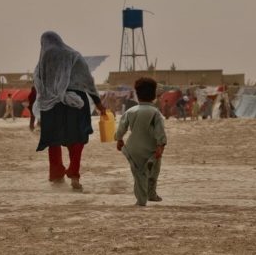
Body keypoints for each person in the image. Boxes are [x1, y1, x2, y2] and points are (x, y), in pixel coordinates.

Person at [33, 31, 106, 191]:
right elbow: (88, 81)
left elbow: (38, 86)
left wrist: (38, 115)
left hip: (51, 104)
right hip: (76, 102)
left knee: (54, 140)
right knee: (77, 137)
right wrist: (98, 103)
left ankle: (57, 174)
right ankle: (74, 174)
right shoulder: (74, 55)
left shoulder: (43, 62)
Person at [116, 77, 167, 206]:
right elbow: (159, 131)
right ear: (154, 95)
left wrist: (119, 139)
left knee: (138, 174)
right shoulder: (155, 113)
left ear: (137, 95)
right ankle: (152, 194)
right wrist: (161, 146)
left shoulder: (130, 111)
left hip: (133, 149)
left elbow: (121, 128)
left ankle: (141, 200)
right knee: (153, 172)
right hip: (151, 149)